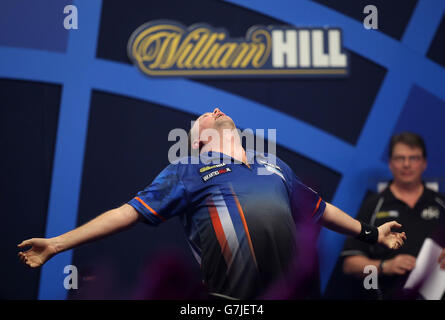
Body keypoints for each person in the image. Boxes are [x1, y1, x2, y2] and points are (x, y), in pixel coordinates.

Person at [18, 108, 407, 300]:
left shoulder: (275, 165)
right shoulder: (188, 169)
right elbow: (126, 213)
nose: (215, 109)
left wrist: (371, 232)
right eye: (204, 116)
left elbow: (319, 209)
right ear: (199, 140)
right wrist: (55, 244)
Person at [341, 132, 445, 300]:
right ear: (390, 164)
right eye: (399, 158)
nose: (406, 164)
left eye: (414, 158)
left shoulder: (441, 203)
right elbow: (350, 265)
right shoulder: (373, 206)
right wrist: (384, 266)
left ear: (424, 163)